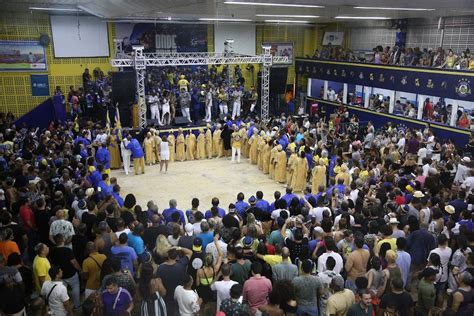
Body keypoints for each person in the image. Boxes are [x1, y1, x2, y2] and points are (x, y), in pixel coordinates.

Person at [49, 234, 82, 310]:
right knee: (75, 288)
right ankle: (77, 306)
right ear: (63, 240)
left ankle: (65, 306)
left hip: (60, 275)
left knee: (63, 291)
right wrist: (80, 270)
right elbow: (74, 262)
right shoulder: (67, 250)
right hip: (71, 274)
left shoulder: (52, 251)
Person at [156, 246, 193, 315]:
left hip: (167, 297)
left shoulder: (160, 268)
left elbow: (158, 283)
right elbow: (190, 252)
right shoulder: (181, 264)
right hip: (180, 295)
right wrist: (179, 248)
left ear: (168, 256)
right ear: (176, 257)